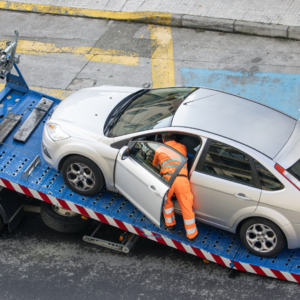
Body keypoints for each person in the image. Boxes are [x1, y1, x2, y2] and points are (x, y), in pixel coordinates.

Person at [152, 133, 198, 242]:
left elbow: (154, 164)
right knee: (186, 206)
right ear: (174, 138)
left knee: (167, 203)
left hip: (167, 180)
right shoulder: (182, 147)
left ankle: (170, 225)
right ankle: (191, 235)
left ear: (163, 140)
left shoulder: (159, 149)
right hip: (182, 180)